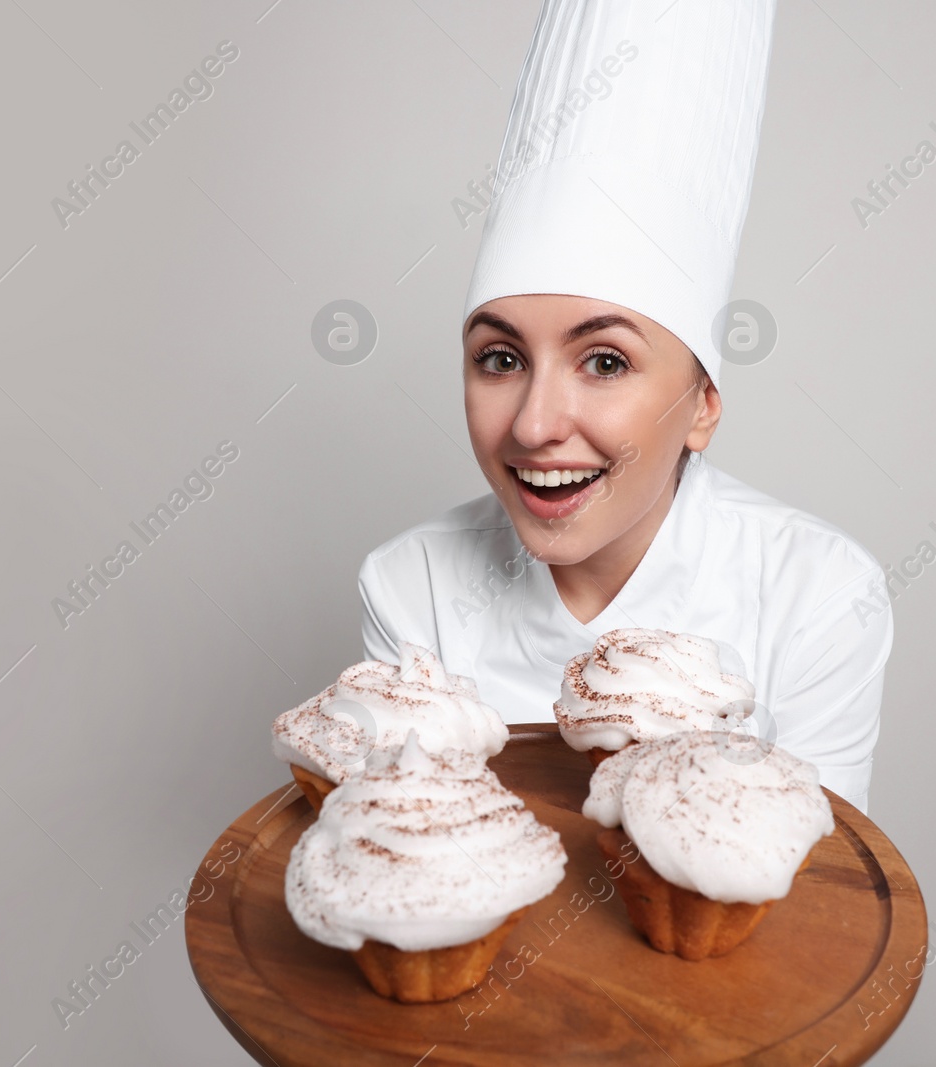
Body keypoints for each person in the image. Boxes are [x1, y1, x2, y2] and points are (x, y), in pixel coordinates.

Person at [356, 0, 893, 813]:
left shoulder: (817, 594)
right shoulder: (413, 585)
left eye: (604, 360)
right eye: (499, 358)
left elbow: (821, 909)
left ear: (703, 405)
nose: (534, 425)